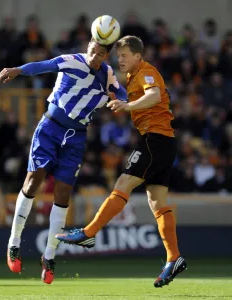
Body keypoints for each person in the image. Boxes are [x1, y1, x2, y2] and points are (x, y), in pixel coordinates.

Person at [56, 36, 187, 288]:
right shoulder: (130, 77)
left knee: (124, 182)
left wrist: (128, 105)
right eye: (119, 56)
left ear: (138, 55)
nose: (121, 59)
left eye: (125, 55)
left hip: (155, 139)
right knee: (157, 200)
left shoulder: (147, 71)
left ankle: (89, 233)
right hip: (163, 142)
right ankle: (174, 257)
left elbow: (154, 96)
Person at [0, 37, 127, 284]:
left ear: (106, 56)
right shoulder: (73, 61)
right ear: (88, 45)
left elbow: (122, 94)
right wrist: (17, 71)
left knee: (63, 193)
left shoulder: (108, 75)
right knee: (34, 180)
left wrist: (121, 99)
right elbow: (44, 65)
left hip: (76, 137)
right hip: (50, 127)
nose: (94, 56)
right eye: (92, 50)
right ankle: (14, 242)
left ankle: (49, 256)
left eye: (100, 54)